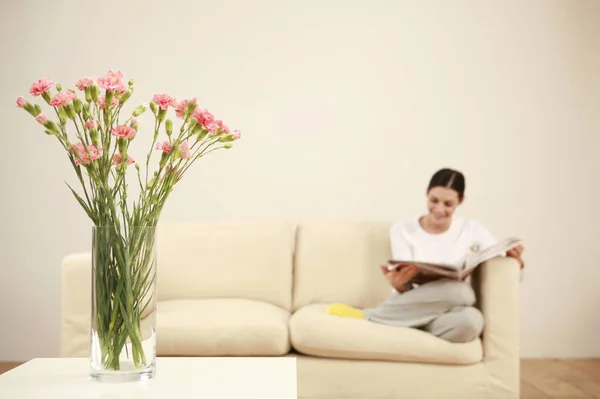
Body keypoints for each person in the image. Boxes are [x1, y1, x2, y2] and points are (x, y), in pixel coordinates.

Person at [325, 168, 525, 343]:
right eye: (434, 200)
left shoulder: (471, 229)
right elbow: (404, 284)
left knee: (472, 321)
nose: (439, 209)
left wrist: (516, 260)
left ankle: (400, 322)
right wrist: (398, 283)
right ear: (426, 194)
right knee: (462, 292)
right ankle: (376, 316)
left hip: (446, 311)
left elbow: (500, 259)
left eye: (448, 204)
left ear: (460, 201)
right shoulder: (403, 229)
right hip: (411, 300)